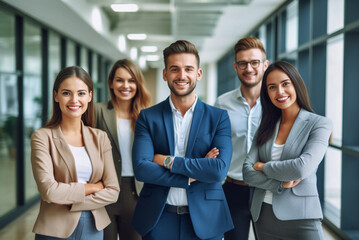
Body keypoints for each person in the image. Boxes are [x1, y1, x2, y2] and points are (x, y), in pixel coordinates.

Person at [131, 40, 234, 240]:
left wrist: (166, 160)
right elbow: (142, 169)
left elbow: (218, 169)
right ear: (165, 74)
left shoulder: (218, 117)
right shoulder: (147, 117)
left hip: (206, 220)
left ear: (199, 74)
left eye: (188, 69)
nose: (182, 76)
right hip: (158, 218)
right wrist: (190, 175)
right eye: (175, 69)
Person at [242, 61, 332, 239]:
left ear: (296, 84)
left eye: (285, 84)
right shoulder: (265, 127)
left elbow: (301, 168)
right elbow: (246, 172)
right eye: (272, 87)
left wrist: (262, 167)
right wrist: (279, 184)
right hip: (263, 216)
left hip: (302, 218)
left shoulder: (319, 124)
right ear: (267, 93)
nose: (280, 92)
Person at [30, 66, 120, 240]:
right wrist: (93, 187)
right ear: (56, 96)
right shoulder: (42, 137)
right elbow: (49, 191)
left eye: (81, 93)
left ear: (90, 96)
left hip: (93, 228)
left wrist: (68, 200)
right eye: (66, 93)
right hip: (54, 228)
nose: (74, 100)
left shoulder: (100, 137)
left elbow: (113, 191)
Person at [215, 37, 268, 240]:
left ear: (265, 65)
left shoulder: (277, 102)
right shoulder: (222, 103)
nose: (249, 68)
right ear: (236, 67)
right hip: (233, 189)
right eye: (243, 63)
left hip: (267, 189)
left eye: (254, 62)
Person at [94, 59, 151, 240]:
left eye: (131, 80)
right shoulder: (97, 111)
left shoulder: (147, 116)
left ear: (138, 84)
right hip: (103, 191)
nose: (125, 85)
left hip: (136, 192)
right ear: (111, 83)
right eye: (119, 80)